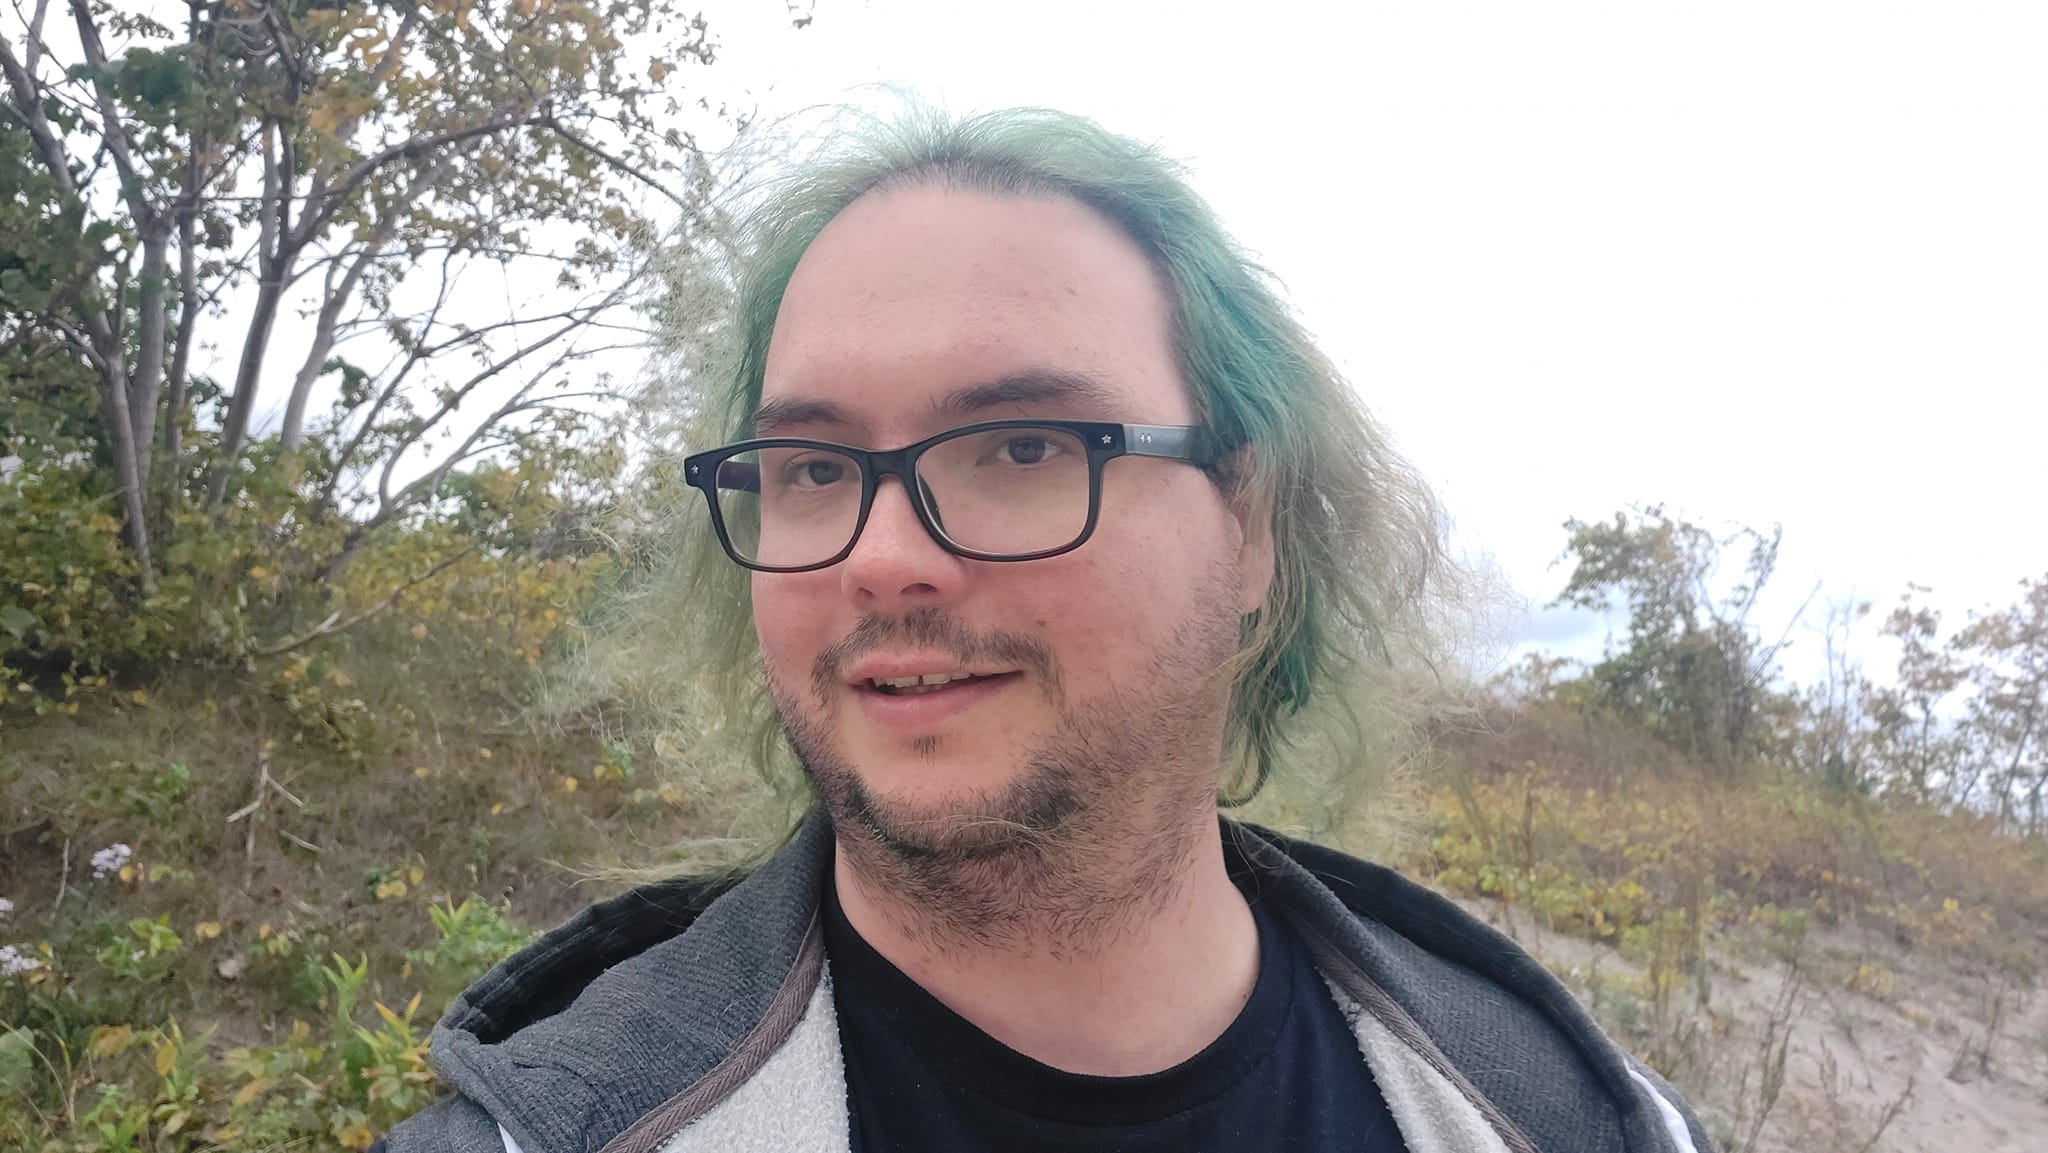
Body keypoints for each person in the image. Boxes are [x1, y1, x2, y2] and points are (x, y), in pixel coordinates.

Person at [382, 107, 1711, 1153]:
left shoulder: (1566, 1118)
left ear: (1249, 526)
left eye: (1021, 445)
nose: (884, 556)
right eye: (810, 466)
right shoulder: (551, 1131)